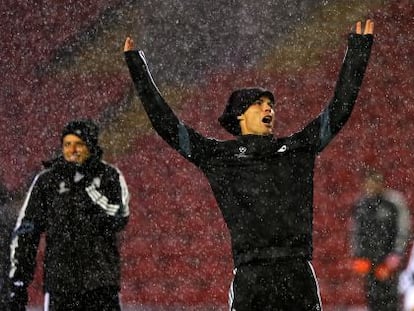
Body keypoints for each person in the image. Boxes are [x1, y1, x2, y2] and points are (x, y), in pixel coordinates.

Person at [124, 19, 374, 310]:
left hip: (297, 272)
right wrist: (137, 66)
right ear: (240, 115)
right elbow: (167, 125)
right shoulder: (221, 157)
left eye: (271, 104)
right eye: (259, 103)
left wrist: (358, 50)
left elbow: (339, 110)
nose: (269, 108)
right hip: (251, 275)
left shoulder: (297, 148)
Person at [2, 119, 130, 311]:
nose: (72, 150)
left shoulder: (110, 176)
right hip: (60, 286)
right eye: (67, 144)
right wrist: (19, 281)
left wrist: (89, 189)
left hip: (101, 285)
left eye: (79, 144)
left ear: (90, 145)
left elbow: (120, 217)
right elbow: (27, 232)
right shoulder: (47, 181)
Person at [350, 170, 410, 311]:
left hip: (388, 260)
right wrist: (358, 255)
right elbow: (356, 232)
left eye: (375, 182)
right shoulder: (361, 205)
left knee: (390, 298)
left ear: (382, 184)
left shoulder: (393, 203)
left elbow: (403, 229)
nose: (372, 186)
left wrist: (396, 254)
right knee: (373, 298)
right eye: (369, 183)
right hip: (369, 260)